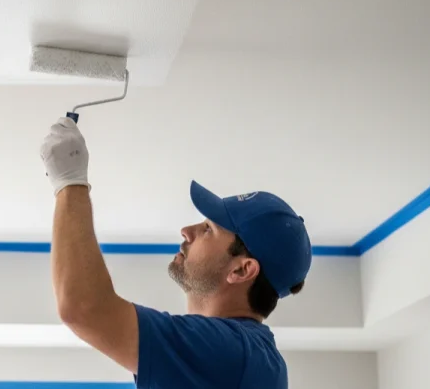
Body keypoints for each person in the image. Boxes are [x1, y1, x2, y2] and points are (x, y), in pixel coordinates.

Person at [39, 117, 313, 388]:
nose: (187, 231)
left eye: (208, 229)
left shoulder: (232, 352)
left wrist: (69, 183)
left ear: (242, 269)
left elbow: (84, 307)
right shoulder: (245, 357)